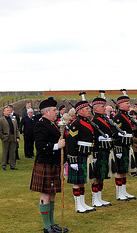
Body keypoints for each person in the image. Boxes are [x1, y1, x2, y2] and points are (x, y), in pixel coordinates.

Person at [29, 97, 68, 233]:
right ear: (46, 112)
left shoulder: (52, 124)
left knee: (52, 195)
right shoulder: (41, 124)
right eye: (54, 110)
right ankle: (47, 227)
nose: (56, 112)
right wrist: (57, 145)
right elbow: (39, 145)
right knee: (45, 194)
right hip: (45, 163)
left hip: (54, 163)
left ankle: (52, 223)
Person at [67, 93, 96, 213]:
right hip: (78, 155)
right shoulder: (75, 124)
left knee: (82, 181)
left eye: (89, 108)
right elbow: (71, 143)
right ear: (79, 111)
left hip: (86, 154)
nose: (89, 110)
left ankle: (83, 203)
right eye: (86, 109)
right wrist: (72, 160)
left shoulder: (87, 122)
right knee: (77, 182)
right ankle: (78, 205)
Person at [113, 90, 136, 201]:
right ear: (120, 105)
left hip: (126, 146)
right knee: (119, 170)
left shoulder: (125, 116)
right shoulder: (118, 117)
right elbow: (115, 132)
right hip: (120, 146)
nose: (129, 105)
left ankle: (123, 191)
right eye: (127, 103)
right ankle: (119, 193)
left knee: (124, 170)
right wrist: (118, 149)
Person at [91, 95, 114, 207]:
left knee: (102, 176)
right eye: (102, 106)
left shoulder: (103, 119)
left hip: (105, 149)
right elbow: (92, 136)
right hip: (98, 150)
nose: (104, 108)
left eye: (104, 106)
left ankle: (99, 198)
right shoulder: (94, 120)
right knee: (97, 176)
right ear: (95, 108)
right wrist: (94, 153)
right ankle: (95, 199)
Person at [0, 106, 20, 170]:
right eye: (7, 110)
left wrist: (17, 137)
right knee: (5, 152)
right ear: (4, 112)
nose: (9, 111)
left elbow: (16, 129)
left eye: (9, 110)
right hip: (6, 137)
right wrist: (3, 137)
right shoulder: (1, 120)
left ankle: (12, 165)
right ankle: (3, 165)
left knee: (12, 152)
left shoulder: (13, 119)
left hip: (13, 137)